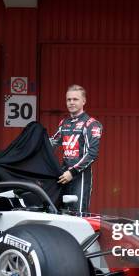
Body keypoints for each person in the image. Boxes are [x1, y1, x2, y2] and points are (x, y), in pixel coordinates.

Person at [50, 84, 103, 213]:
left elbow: (92, 153)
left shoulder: (91, 124)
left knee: (78, 216)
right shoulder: (64, 123)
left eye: (75, 99)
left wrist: (72, 172)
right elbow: (51, 143)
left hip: (80, 177)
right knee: (60, 213)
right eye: (69, 99)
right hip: (63, 176)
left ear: (83, 101)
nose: (71, 102)